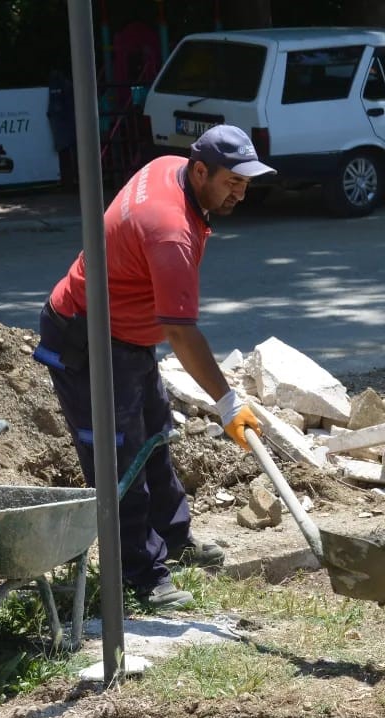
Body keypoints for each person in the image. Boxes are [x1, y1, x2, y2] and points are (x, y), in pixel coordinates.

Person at [33, 125, 271, 610]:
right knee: (119, 463)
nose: (241, 193)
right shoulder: (170, 231)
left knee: (155, 438)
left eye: (246, 182)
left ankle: (174, 541)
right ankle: (141, 576)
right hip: (87, 339)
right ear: (200, 170)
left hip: (128, 336)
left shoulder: (170, 168)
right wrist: (227, 404)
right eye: (232, 182)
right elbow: (182, 332)